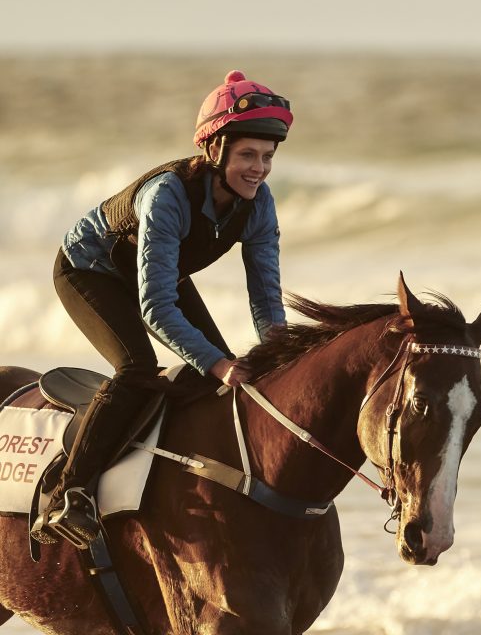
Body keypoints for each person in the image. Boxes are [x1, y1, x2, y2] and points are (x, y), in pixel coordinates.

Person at [31, 69, 293, 547]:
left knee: (209, 373)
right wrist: (218, 363)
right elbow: (155, 307)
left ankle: (163, 471)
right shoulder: (168, 194)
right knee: (138, 366)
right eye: (248, 155)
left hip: (152, 275)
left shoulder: (260, 203)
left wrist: (280, 353)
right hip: (89, 271)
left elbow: (266, 297)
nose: (259, 168)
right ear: (215, 152)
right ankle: (69, 494)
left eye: (268, 157)